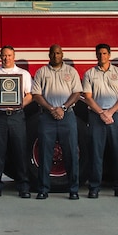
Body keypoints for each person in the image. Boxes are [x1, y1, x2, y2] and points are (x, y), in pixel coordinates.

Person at [81, 43, 118, 199]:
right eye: (99, 54)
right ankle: (94, 187)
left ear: (109, 55)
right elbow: (88, 97)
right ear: (96, 55)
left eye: (104, 53)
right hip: (97, 116)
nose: (102, 56)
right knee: (96, 153)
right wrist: (101, 112)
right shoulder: (89, 74)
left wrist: (110, 112)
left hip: (116, 116)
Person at [0, 45, 33, 199]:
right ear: (0, 57)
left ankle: (23, 186)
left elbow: (29, 95)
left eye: (9, 55)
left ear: (13, 56)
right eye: (3, 55)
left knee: (20, 151)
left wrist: (20, 104)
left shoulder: (23, 74)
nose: (6, 58)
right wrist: (0, 91)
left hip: (17, 115)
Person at [32, 44, 83, 200]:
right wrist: (50, 108)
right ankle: (43, 189)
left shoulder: (71, 72)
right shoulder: (41, 72)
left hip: (67, 116)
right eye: (53, 53)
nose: (55, 56)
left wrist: (63, 108)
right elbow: (36, 94)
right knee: (45, 154)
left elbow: (76, 93)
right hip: (47, 117)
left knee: (71, 154)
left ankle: (73, 189)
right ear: (49, 55)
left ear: (62, 54)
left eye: (58, 53)